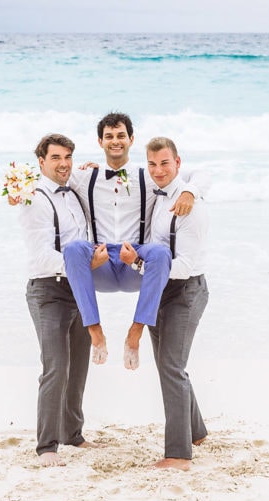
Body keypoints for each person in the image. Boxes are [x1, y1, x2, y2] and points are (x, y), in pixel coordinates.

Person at [62, 112, 203, 370]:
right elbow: (51, 175)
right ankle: (95, 330)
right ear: (99, 142)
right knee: (72, 249)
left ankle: (135, 333)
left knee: (161, 253)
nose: (115, 141)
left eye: (121, 136)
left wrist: (189, 192)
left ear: (131, 139)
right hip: (100, 262)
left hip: (133, 262)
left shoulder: (149, 175)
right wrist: (21, 195)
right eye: (109, 136)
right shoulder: (85, 177)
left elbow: (198, 174)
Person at [17, 133, 104, 467]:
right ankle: (47, 447)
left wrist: (91, 171)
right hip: (48, 290)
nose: (64, 163)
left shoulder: (74, 191)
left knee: (78, 366)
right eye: (56, 158)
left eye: (67, 156)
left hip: (79, 288)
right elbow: (40, 256)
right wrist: (81, 264)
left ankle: (73, 434)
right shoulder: (33, 200)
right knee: (56, 366)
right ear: (41, 162)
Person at [140, 136, 210, 471]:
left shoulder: (188, 207)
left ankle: (179, 455)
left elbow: (183, 265)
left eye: (165, 163)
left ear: (177, 163)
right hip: (160, 291)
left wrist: (138, 266)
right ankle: (196, 431)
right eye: (152, 164)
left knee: (171, 367)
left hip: (186, 291)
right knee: (170, 365)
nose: (158, 171)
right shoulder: (157, 193)